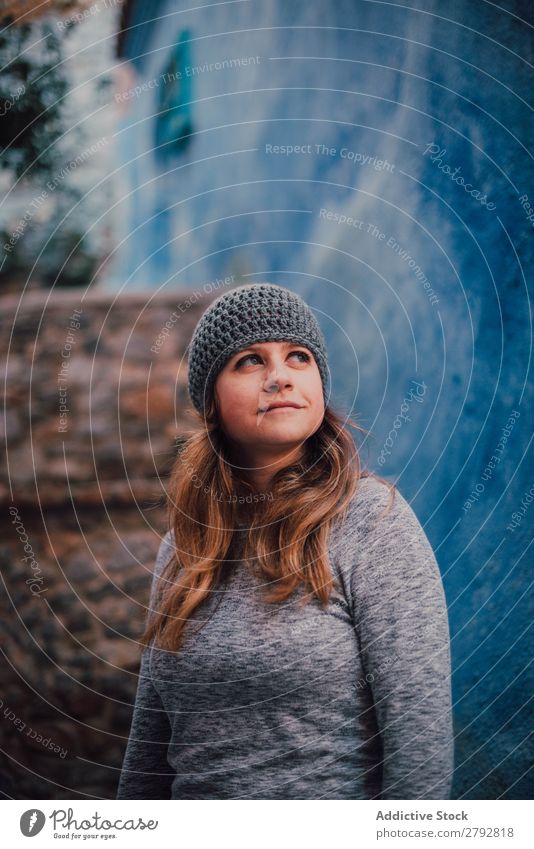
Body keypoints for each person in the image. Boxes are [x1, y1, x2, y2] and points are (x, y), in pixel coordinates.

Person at [116, 282, 454, 800]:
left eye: (299, 357)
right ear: (211, 401)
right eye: (250, 361)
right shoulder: (184, 547)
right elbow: (148, 754)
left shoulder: (370, 523)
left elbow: (421, 755)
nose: (280, 377)